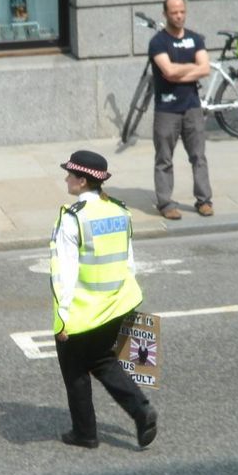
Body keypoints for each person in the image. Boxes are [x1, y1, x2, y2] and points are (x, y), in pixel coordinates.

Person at [50, 150, 157, 449]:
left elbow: (64, 273)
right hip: (119, 304)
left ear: (82, 181)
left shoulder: (74, 219)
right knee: (102, 360)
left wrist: (62, 319)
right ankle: (140, 409)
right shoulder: (120, 211)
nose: (66, 178)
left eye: (70, 174)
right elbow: (129, 261)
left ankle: (85, 434)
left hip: (84, 313)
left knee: (74, 371)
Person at [148, 0, 213, 220]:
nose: (179, 16)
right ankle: (165, 204)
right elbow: (169, 72)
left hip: (192, 107)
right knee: (164, 158)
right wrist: (190, 68)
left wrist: (181, 71)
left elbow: (205, 69)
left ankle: (204, 201)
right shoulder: (158, 42)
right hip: (166, 109)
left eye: (182, 11)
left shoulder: (195, 39)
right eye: (174, 12)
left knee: (198, 156)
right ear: (165, 14)